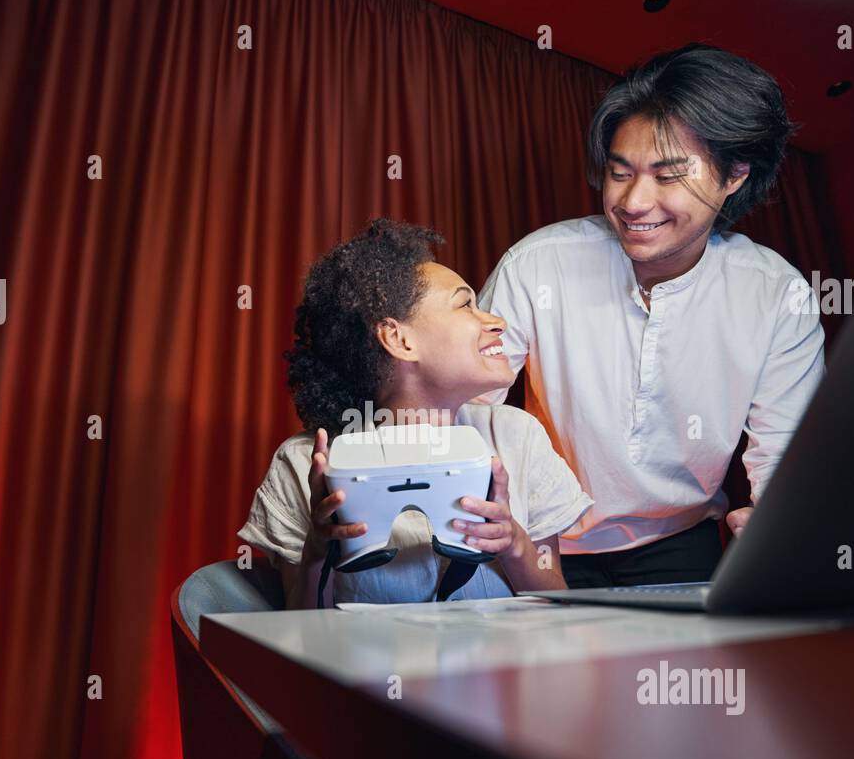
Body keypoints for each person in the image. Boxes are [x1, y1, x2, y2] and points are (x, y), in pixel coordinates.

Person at [478, 43, 826, 588]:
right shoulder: (539, 263)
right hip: (538, 537)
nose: (634, 202)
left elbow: (788, 449)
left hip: (680, 540)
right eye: (620, 172)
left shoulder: (775, 294)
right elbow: (467, 403)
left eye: (668, 176)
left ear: (734, 175)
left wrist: (778, 523)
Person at [238, 219, 593, 608]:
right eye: (465, 305)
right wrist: (318, 553)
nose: (496, 321)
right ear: (399, 339)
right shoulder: (305, 464)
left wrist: (514, 544)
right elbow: (300, 633)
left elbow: (557, 606)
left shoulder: (518, 437)